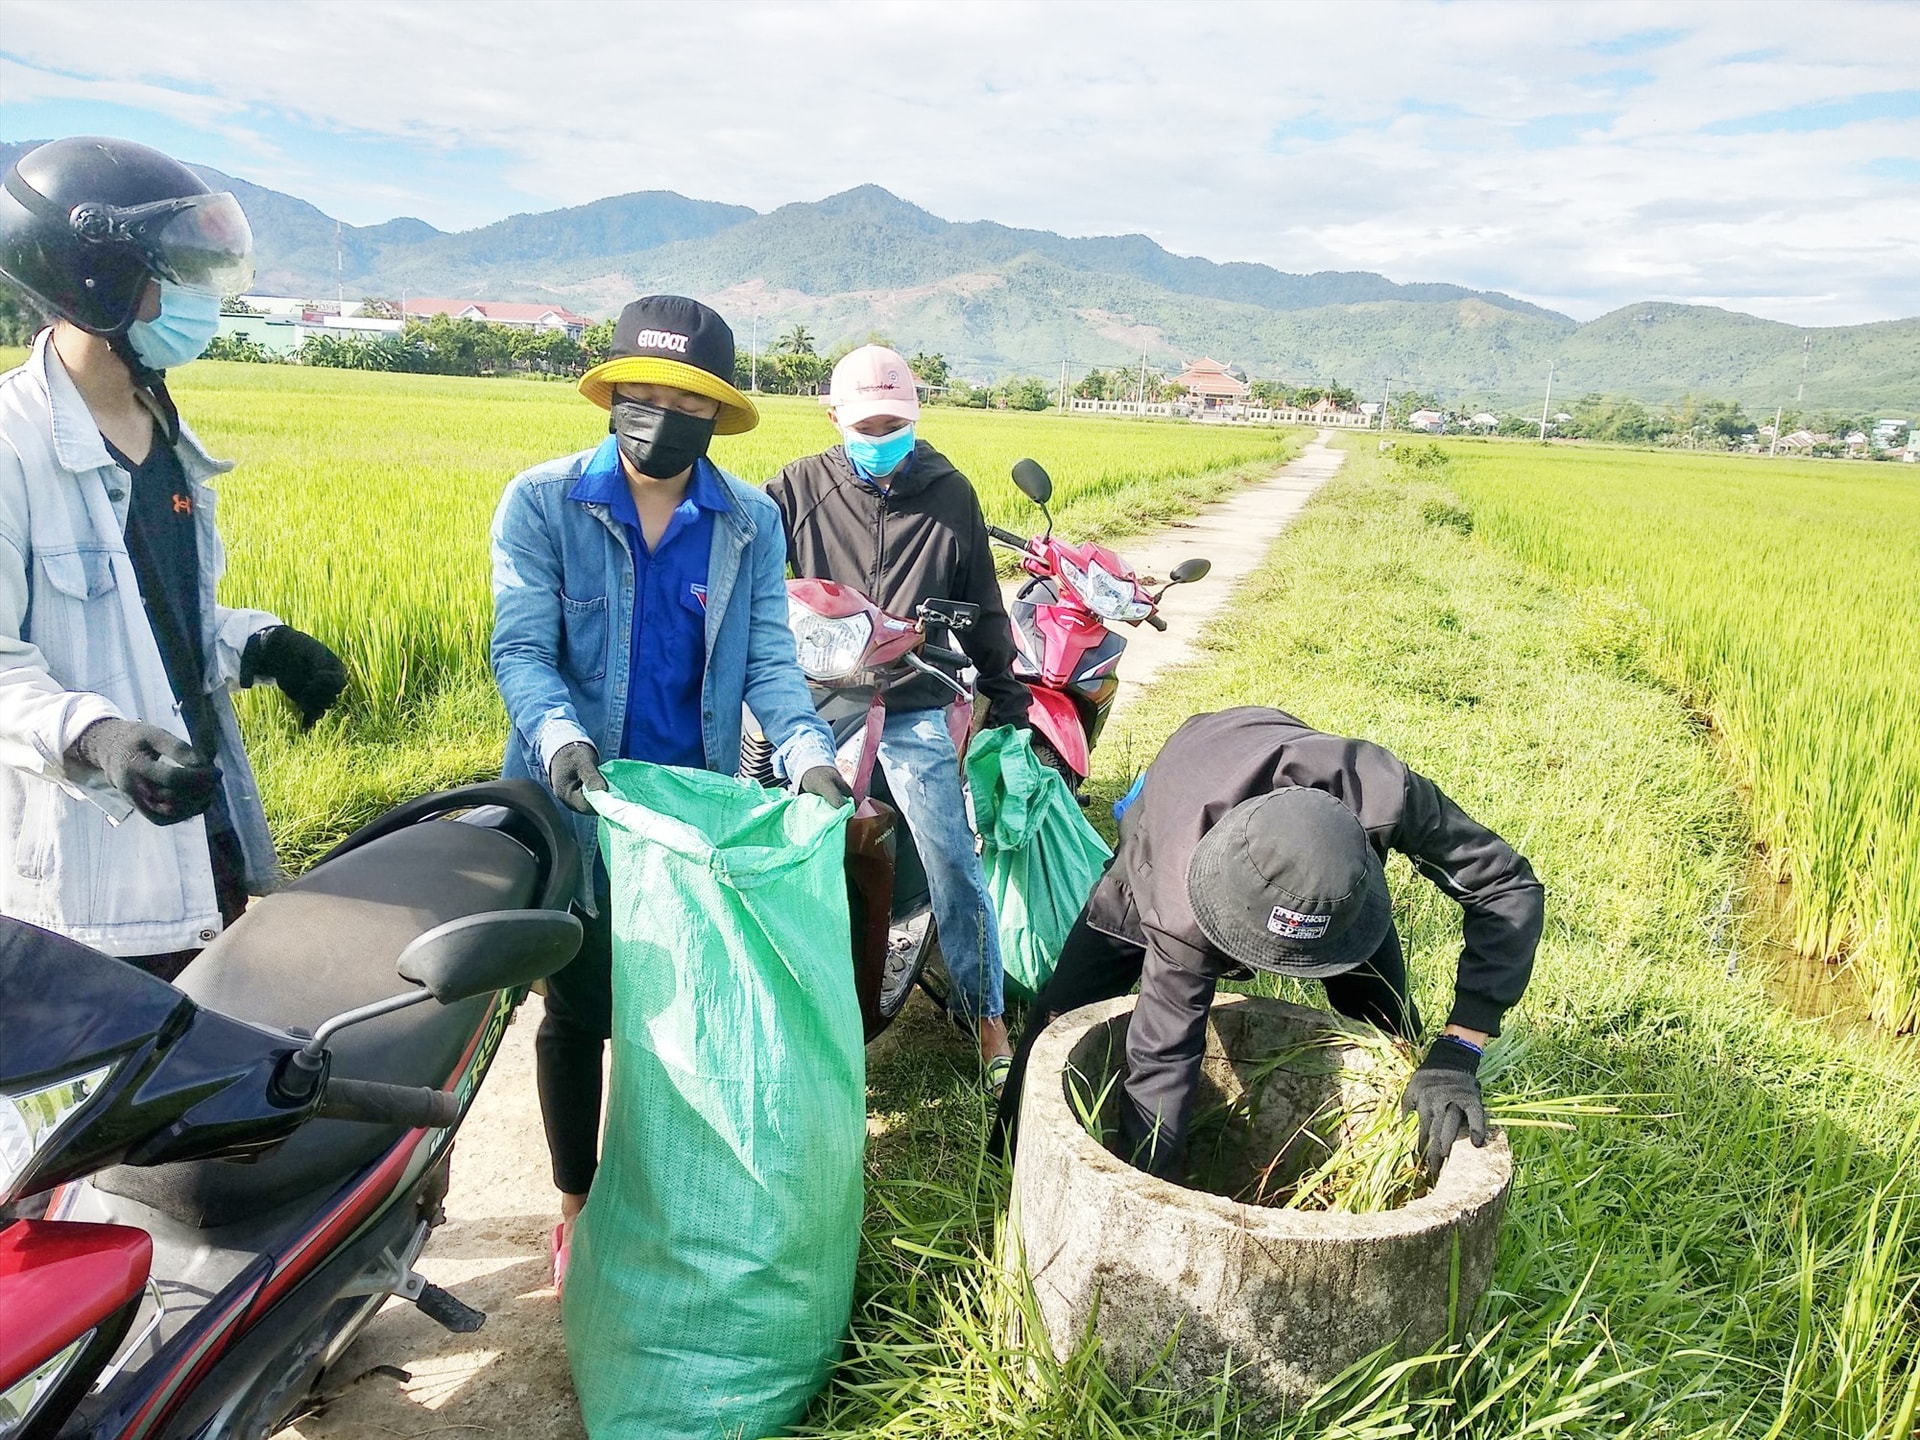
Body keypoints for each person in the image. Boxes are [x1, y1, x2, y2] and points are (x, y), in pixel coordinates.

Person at [489, 294, 848, 1288]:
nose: (657, 412)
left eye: (681, 397)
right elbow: (522, 649)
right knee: (578, 1008)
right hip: (574, 802)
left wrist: (810, 752)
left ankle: (655, 1204)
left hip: (683, 814)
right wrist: (558, 739)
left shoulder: (748, 522)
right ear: (609, 397)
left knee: (672, 1009)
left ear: (714, 412)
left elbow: (772, 660)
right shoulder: (543, 503)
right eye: (639, 392)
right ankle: (574, 1209)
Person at [0, 137, 347, 978]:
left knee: (203, 1077)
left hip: (201, 829)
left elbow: (158, 621)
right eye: (180, 272)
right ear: (100, 279)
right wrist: (101, 737)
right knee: (98, 1101)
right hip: (88, 884)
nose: (200, 298)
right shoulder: (12, 447)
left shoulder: (166, 438)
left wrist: (258, 644)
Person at [993, 706, 1545, 1178]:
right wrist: (1151, 1200)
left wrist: (1459, 1049)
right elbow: (1161, 1060)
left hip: (1307, 836)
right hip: (1190, 782)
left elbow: (1508, 887)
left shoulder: (1382, 790)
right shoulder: (1177, 907)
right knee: (1062, 1006)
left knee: (1386, 1023)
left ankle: (1404, 1145)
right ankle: (1009, 1160)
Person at [766, 346, 1031, 1089]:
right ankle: (786, 1000)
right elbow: (741, 571)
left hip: (913, 696)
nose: (880, 436)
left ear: (915, 419)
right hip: (818, 701)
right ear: (835, 418)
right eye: (866, 424)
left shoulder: (950, 494)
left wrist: (1005, 695)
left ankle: (985, 1013)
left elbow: (983, 602)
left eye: (894, 424)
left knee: (951, 854)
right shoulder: (796, 488)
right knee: (776, 843)